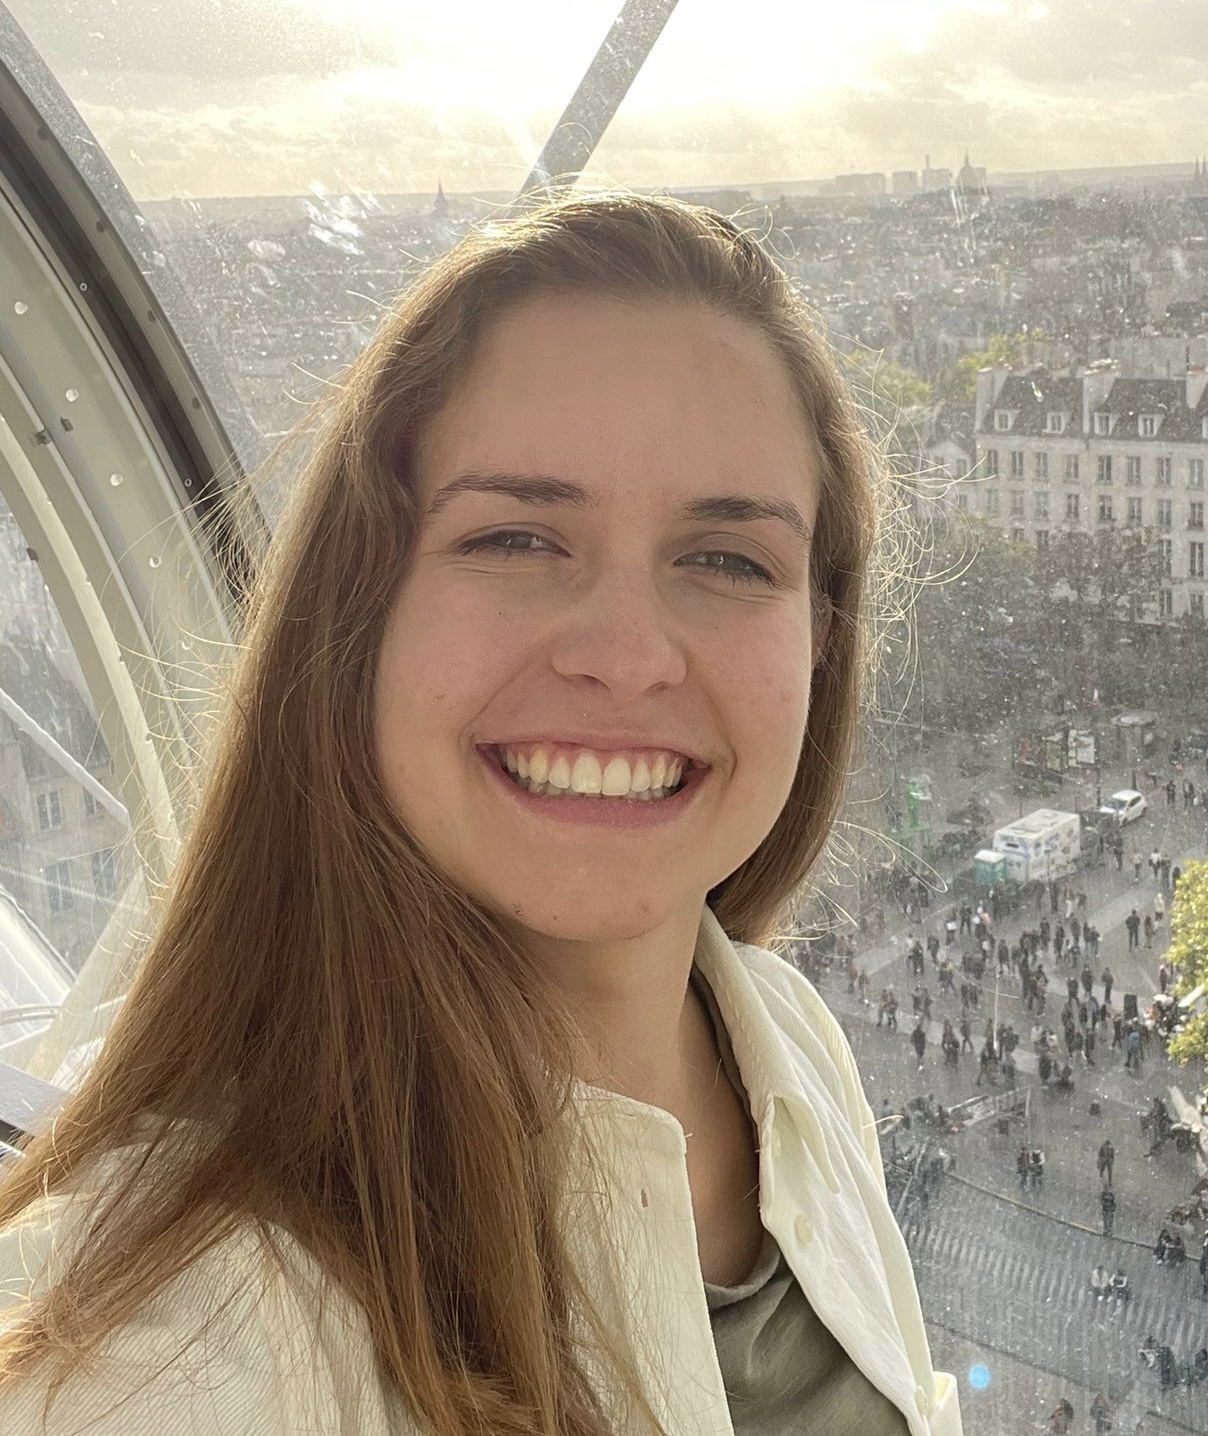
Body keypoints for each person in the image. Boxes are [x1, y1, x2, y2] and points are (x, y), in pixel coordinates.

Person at [0, 196, 959, 1433]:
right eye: (515, 537)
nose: (627, 654)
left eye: (727, 559)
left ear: (820, 638)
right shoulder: (165, 1350)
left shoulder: (787, 1037)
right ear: (357, 616)